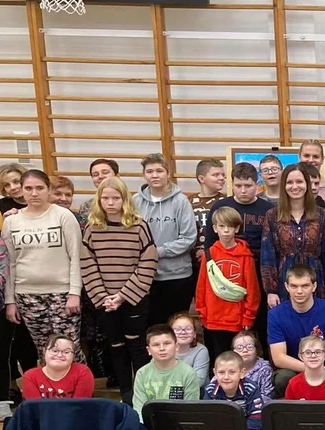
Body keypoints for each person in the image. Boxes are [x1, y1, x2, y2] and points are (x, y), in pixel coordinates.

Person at [79, 176, 158, 403]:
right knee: (116, 346)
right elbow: (88, 264)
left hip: (134, 298)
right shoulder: (92, 228)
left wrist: (122, 296)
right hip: (105, 301)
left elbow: (148, 262)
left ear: (125, 200)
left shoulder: (139, 226)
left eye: (116, 198)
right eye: (106, 198)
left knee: (137, 346)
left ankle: (143, 396)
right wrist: (104, 297)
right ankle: (126, 394)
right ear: (99, 200)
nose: (111, 203)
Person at [3, 170, 83, 357]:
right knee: (45, 351)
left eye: (39, 188)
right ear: (22, 190)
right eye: (28, 188)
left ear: (48, 190)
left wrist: (74, 292)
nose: (34, 193)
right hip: (27, 295)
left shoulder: (63, 216)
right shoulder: (12, 221)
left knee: (68, 348)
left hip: (62, 293)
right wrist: (10, 301)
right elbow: (10, 264)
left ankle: (80, 378)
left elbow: (76, 256)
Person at [205, 163, 275, 346]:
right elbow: (209, 244)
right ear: (232, 184)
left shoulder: (268, 209)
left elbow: (273, 246)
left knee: (260, 322)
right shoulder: (221, 207)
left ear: (257, 184)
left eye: (248, 185)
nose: (243, 190)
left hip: (258, 271)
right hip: (227, 273)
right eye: (238, 185)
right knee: (226, 326)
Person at [130, 154, 196, 327]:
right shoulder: (135, 201)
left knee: (175, 327)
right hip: (144, 276)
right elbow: (130, 235)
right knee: (151, 328)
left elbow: (188, 238)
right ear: (144, 175)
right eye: (149, 171)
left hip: (177, 276)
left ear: (168, 173)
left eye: (159, 171)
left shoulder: (181, 201)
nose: (155, 175)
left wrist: (156, 252)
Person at [266, 264, 325, 396]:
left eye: (305, 286)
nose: (299, 291)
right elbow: (279, 358)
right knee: (282, 378)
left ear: (314, 286)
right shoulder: (275, 314)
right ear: (286, 287)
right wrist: (312, 368)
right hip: (295, 369)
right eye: (294, 286)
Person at [262, 164, 325, 305]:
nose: (295, 186)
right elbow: (267, 255)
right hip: (284, 279)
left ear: (307, 184)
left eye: (299, 181)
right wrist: (271, 291)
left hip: (315, 278)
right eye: (289, 182)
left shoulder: (321, 214)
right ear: (283, 186)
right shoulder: (272, 215)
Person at [195, 206, 261, 359]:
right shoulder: (209, 254)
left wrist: (248, 316)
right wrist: (202, 313)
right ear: (215, 228)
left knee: (240, 358)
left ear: (237, 228)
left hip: (237, 318)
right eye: (221, 226)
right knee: (219, 358)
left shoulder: (246, 256)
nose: (226, 230)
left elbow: (252, 289)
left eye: (230, 226)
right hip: (213, 318)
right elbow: (201, 286)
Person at [133, 324, 201, 417]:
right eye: (156, 345)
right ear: (149, 350)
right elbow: (139, 409)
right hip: (149, 423)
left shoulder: (188, 373)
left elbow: (190, 410)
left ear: (176, 346)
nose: (162, 348)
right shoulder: (142, 374)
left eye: (167, 343)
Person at [202, 351, 264, 430]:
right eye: (221, 372)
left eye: (232, 372)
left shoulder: (250, 388)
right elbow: (206, 418)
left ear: (242, 373)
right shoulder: (210, 390)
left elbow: (258, 417)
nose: (226, 377)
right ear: (215, 373)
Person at [21, 334, 94, 400]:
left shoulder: (82, 372)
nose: (59, 355)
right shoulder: (30, 376)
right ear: (44, 352)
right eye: (54, 351)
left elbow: (79, 406)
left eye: (66, 352)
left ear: (73, 356)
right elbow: (35, 407)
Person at [283, 335, 325, 401]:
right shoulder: (293, 384)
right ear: (301, 356)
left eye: (318, 352)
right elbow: (288, 407)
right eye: (308, 353)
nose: (313, 356)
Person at [191, 158, 227, 263]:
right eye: (216, 175)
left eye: (223, 175)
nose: (221, 178)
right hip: (192, 259)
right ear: (201, 179)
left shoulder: (226, 202)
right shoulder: (187, 202)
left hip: (219, 257)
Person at [170, 313, 208, 388]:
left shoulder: (201, 350)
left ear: (194, 334)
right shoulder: (164, 349)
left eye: (188, 329)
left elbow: (198, 381)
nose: (183, 332)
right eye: (178, 329)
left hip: (196, 392)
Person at [233, 331, 273, 400]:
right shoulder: (227, 367)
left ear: (257, 349)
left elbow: (267, 395)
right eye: (239, 348)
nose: (245, 350)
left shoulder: (265, 370)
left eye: (249, 346)